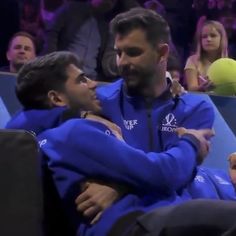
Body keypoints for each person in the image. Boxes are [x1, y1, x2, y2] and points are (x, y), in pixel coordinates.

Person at [13, 50, 213, 236]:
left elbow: (140, 168)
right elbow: (161, 173)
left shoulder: (55, 133)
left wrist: (121, 185)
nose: (93, 84)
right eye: (82, 80)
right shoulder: (74, 131)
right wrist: (191, 141)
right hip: (140, 222)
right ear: (56, 98)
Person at [184, 20, 228, 92]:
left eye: (213, 35)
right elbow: (191, 90)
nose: (208, 39)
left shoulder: (229, 64)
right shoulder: (193, 60)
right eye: (204, 37)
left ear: (222, 39)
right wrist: (202, 88)